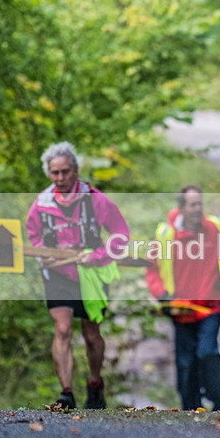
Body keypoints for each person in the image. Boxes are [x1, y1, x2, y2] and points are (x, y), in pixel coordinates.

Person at [26, 141, 130, 410]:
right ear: (49, 174)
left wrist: (97, 256)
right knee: (62, 329)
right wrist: (42, 254)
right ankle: (66, 392)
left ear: (76, 171)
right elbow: (33, 236)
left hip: (91, 274)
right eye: (54, 173)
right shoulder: (41, 204)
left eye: (65, 171)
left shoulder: (96, 200)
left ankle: (95, 383)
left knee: (91, 333)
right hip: (57, 273)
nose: (60, 178)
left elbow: (121, 235)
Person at [145, 186, 220, 411]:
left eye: (199, 203)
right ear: (181, 208)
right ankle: (190, 412)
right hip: (181, 310)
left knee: (206, 352)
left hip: (212, 308)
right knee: (185, 363)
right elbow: (152, 270)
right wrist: (162, 295)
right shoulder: (166, 236)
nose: (197, 209)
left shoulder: (216, 229)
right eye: (192, 205)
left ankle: (216, 399)